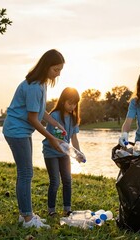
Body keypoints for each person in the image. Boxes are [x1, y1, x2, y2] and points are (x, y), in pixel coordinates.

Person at [2, 49, 66, 229]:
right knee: (26, 173)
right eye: (56, 70)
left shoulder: (42, 84)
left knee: (24, 172)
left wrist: (56, 124)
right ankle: (28, 219)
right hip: (17, 131)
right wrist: (51, 138)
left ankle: (25, 215)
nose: (58, 74)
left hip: (22, 131)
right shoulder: (34, 87)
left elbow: (40, 112)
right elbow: (32, 118)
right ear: (46, 67)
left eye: (60, 70)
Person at [42, 87, 82, 217]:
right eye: (70, 103)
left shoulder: (74, 118)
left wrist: (78, 154)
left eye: (75, 103)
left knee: (67, 180)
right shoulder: (54, 116)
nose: (72, 106)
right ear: (63, 101)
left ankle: (67, 208)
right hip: (51, 152)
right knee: (55, 181)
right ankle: (51, 210)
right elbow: (56, 140)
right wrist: (66, 149)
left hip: (64, 153)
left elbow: (74, 138)